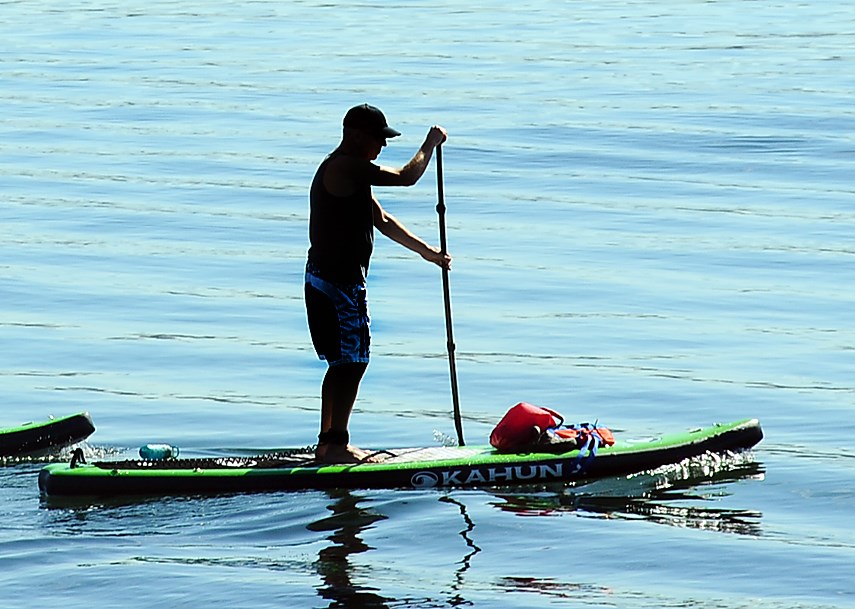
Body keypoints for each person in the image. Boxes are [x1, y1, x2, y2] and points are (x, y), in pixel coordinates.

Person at [305, 103, 450, 463]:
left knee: (343, 363)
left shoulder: (352, 176)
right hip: (337, 285)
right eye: (378, 139)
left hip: (329, 281)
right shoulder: (345, 165)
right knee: (352, 363)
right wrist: (429, 144)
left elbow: (382, 219)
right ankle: (335, 446)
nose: (382, 147)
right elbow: (406, 176)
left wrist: (427, 252)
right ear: (355, 135)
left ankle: (328, 442)